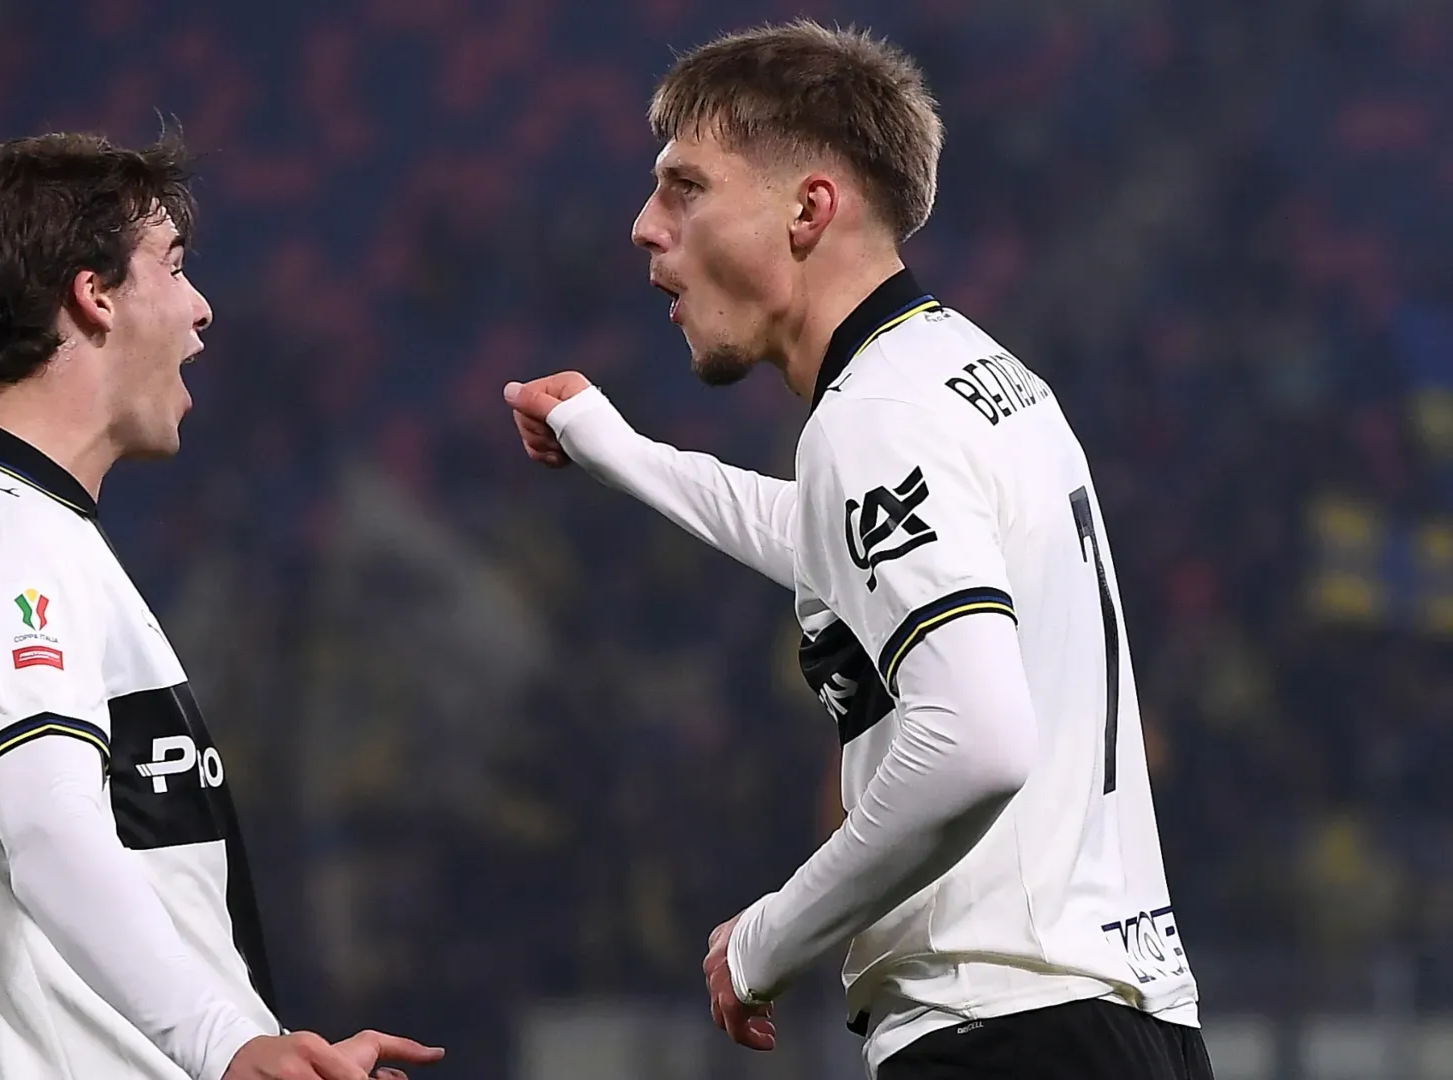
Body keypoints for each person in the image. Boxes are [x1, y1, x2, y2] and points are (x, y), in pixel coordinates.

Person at [503, 22, 1211, 1080]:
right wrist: (621, 450)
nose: (645, 227)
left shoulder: (875, 415)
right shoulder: (970, 372)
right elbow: (824, 538)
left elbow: (974, 742)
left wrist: (767, 940)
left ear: (808, 209)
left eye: (685, 188)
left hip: (1003, 1032)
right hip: (1124, 1018)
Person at [0, 131, 443, 1080]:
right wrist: (228, 1046)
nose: (202, 309)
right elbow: (48, 830)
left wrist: (268, 1047)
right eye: (172, 267)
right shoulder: (6, 543)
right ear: (94, 296)